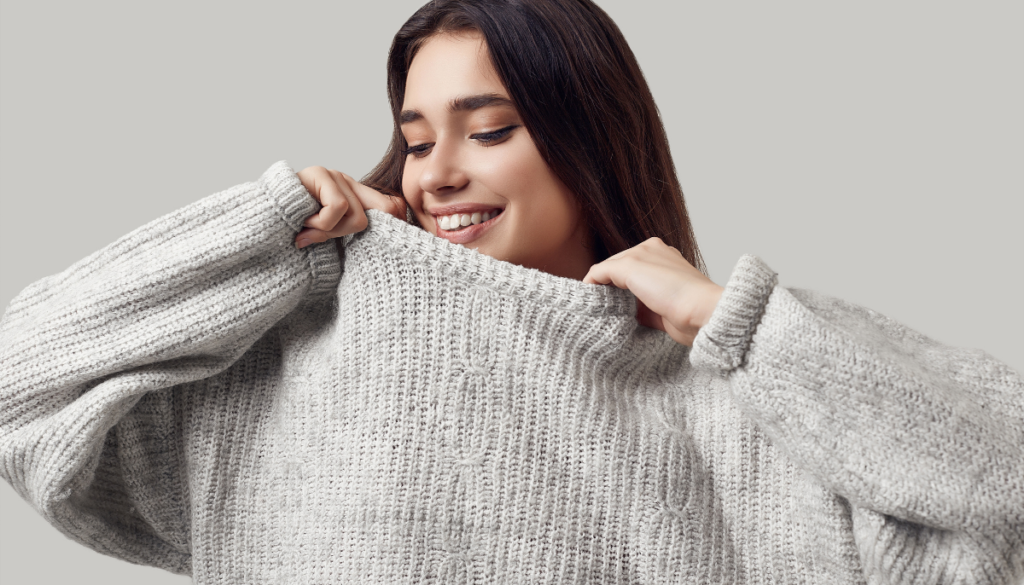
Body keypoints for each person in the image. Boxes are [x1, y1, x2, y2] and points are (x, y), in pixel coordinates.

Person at [1, 1, 1021, 584]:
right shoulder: (302, 348)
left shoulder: (730, 394)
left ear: (589, 137)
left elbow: (1002, 497)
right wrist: (256, 235)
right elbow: (20, 386)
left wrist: (734, 325)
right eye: (414, 139)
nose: (435, 172)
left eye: (489, 130)